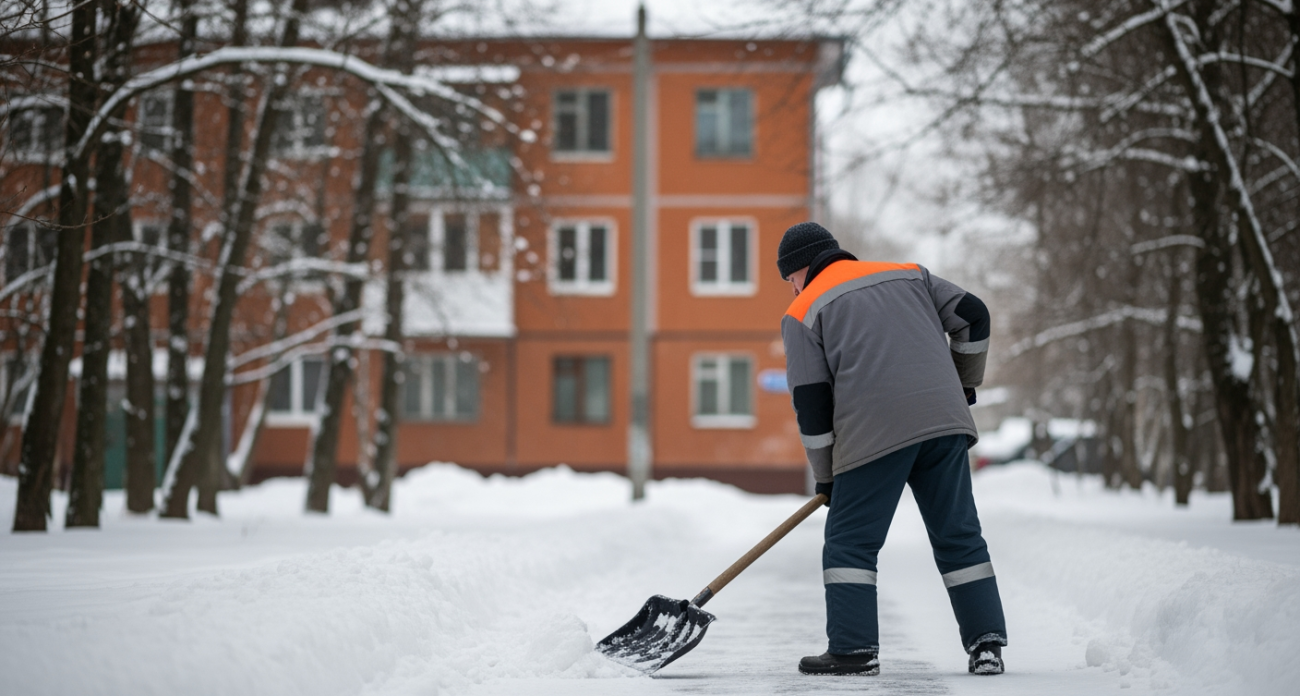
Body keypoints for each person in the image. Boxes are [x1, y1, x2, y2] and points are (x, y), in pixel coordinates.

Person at [777, 221, 1007, 676]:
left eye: (789, 280)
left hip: (871, 432)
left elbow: (811, 401)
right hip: (944, 423)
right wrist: (963, 384)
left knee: (850, 544)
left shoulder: (803, 310)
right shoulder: (909, 273)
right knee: (959, 535)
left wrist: (826, 474)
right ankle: (986, 647)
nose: (791, 289)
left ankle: (854, 650)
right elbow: (974, 314)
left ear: (799, 271)